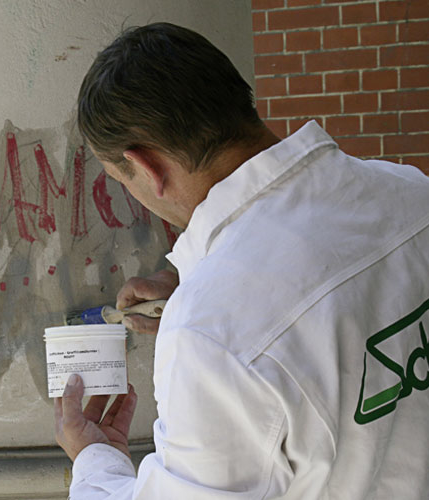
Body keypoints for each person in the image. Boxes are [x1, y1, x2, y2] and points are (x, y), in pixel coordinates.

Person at [53, 22, 429, 499]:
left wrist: (95, 461)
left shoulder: (208, 333)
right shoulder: (412, 193)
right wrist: (197, 285)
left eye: (120, 179)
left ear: (146, 167)